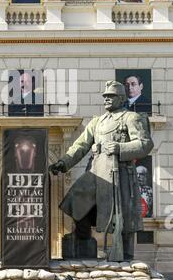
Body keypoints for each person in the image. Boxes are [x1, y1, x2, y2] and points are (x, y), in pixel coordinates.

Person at [49, 81, 154, 261]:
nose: (106, 99)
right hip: (96, 171)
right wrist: (63, 162)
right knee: (74, 202)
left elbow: (145, 144)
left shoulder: (131, 118)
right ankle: (83, 238)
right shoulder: (97, 122)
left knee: (123, 217)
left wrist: (121, 148)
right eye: (105, 96)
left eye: (111, 96)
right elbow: (80, 145)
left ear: (121, 98)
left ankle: (125, 254)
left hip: (119, 174)